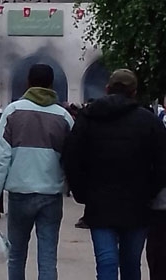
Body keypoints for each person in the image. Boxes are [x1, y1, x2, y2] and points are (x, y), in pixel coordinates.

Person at [62, 69, 166, 280]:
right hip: (138, 203)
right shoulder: (149, 121)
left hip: (99, 203)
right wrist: (150, 191)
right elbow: (163, 163)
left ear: (107, 89)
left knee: (106, 262)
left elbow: (71, 157)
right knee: (131, 264)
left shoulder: (88, 118)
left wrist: (82, 192)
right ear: (134, 92)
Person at [0, 64, 74, 280]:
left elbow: (0, 158)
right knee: (47, 258)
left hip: (20, 194)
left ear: (28, 82)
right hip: (51, 195)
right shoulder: (64, 117)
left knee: (16, 255)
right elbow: (72, 158)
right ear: (51, 84)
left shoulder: (12, 111)